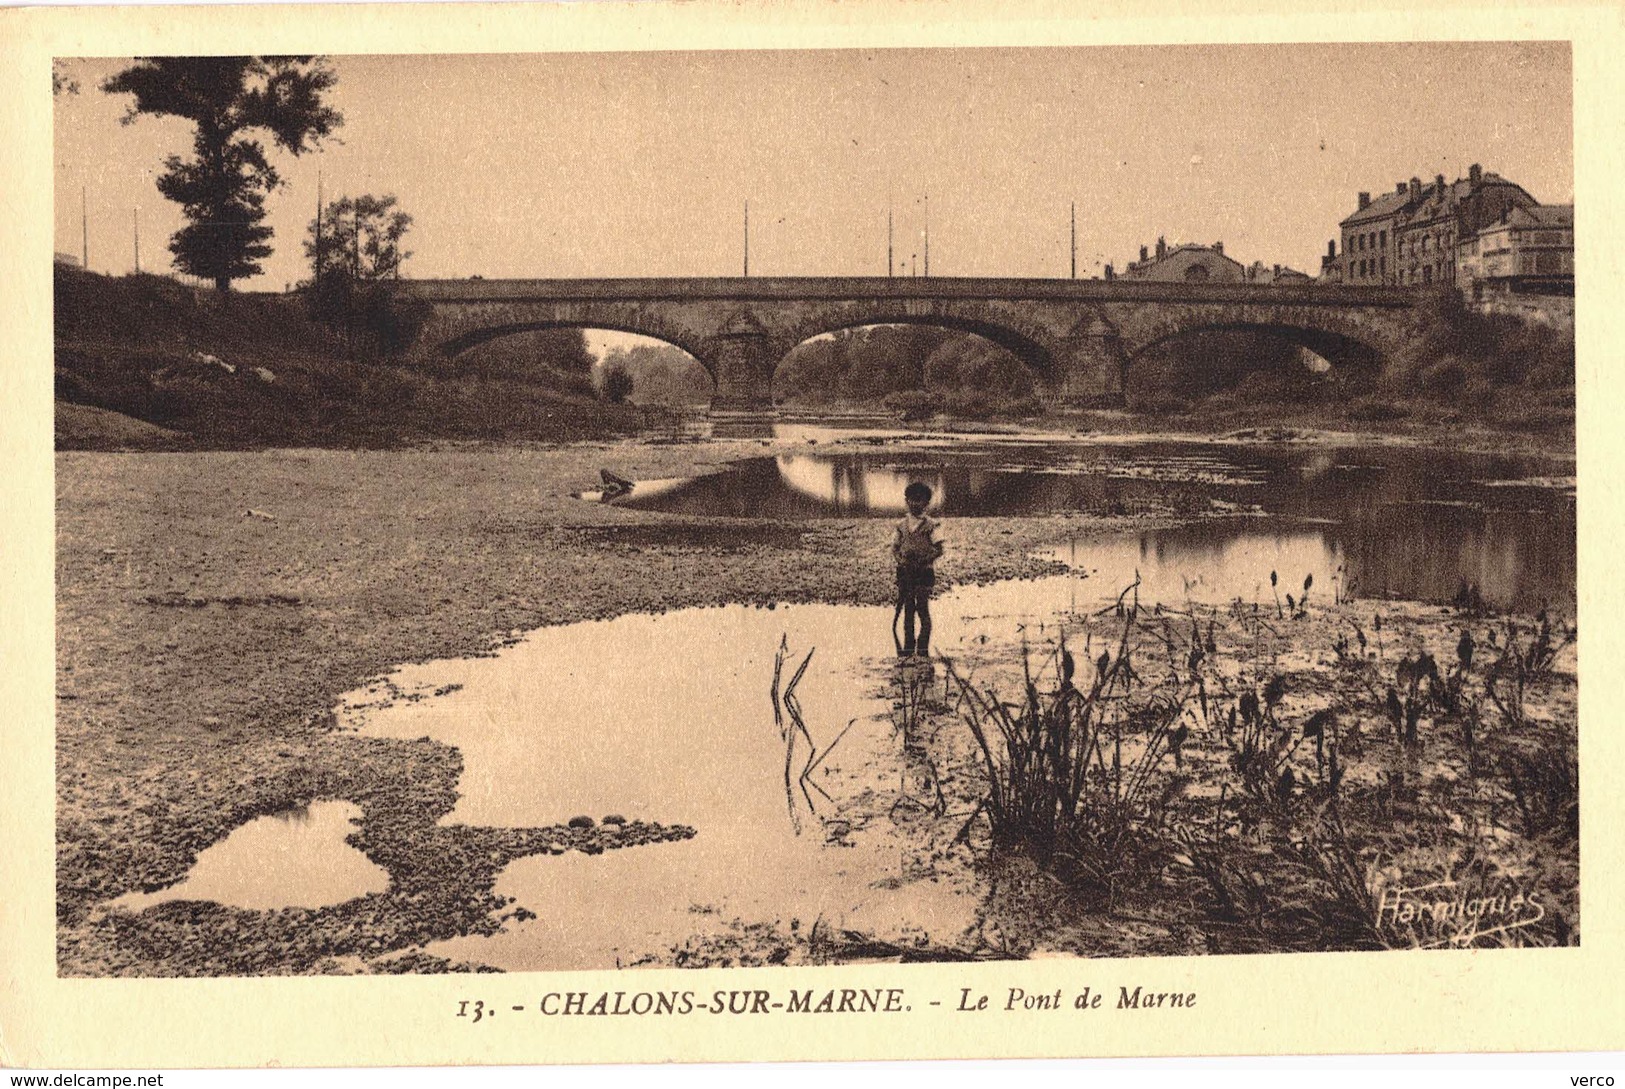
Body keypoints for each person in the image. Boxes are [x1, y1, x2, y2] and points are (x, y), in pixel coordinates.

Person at [892, 481, 944, 658]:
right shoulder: (901, 525)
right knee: (908, 608)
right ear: (906, 501)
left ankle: (922, 650)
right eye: (912, 499)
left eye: (919, 500)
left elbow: (939, 549)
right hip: (905, 572)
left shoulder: (932, 525)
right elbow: (895, 548)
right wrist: (900, 561)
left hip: (923, 572)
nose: (915, 503)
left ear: (926, 503)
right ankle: (907, 648)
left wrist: (924, 561)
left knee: (922, 607)